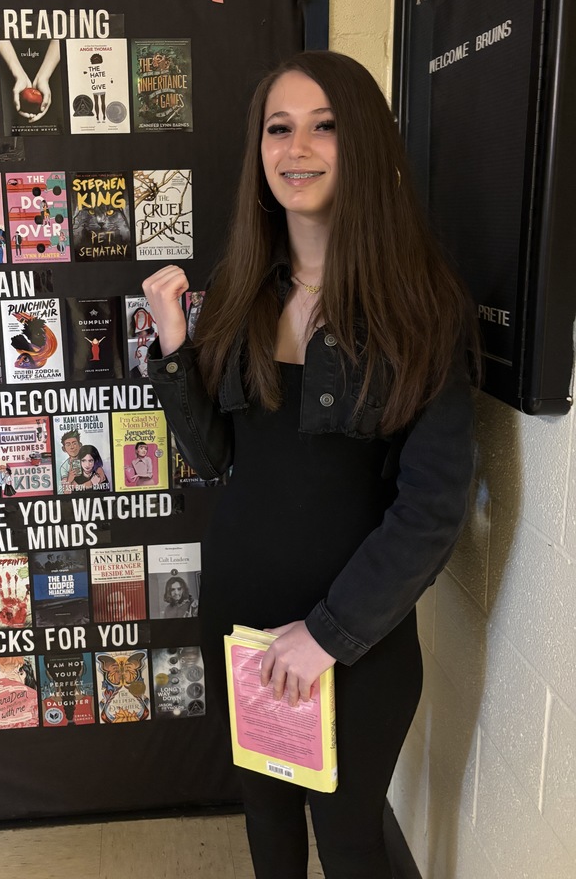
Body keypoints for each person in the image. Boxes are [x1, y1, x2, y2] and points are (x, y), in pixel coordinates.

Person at [142, 51, 478, 879]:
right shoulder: (239, 292)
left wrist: (328, 637)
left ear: (362, 142)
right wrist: (176, 348)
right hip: (243, 618)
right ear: (259, 152)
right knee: (264, 820)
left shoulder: (421, 308)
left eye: (325, 126)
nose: (299, 149)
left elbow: (432, 509)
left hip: (355, 639)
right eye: (279, 129)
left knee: (350, 836)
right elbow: (214, 456)